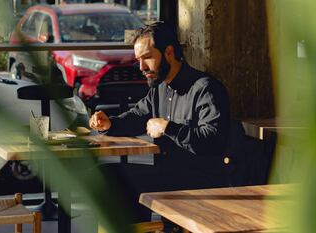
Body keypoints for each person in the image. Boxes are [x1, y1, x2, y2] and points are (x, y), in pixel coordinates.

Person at [89, 22, 231, 222]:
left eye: (147, 58)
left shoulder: (206, 89)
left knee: (116, 180)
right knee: (104, 175)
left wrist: (168, 128)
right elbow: (137, 116)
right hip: (169, 175)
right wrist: (109, 124)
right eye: (138, 60)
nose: (141, 67)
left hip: (198, 180)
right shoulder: (159, 89)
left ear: (169, 52)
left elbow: (213, 140)